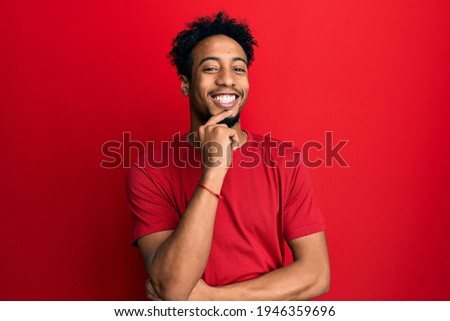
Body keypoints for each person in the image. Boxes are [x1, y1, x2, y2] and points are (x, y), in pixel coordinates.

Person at [126, 11, 330, 301]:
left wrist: (211, 300)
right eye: (210, 69)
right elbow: (172, 288)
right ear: (185, 84)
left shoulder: (285, 160)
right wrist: (215, 169)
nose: (227, 80)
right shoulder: (149, 171)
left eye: (238, 69)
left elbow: (316, 275)